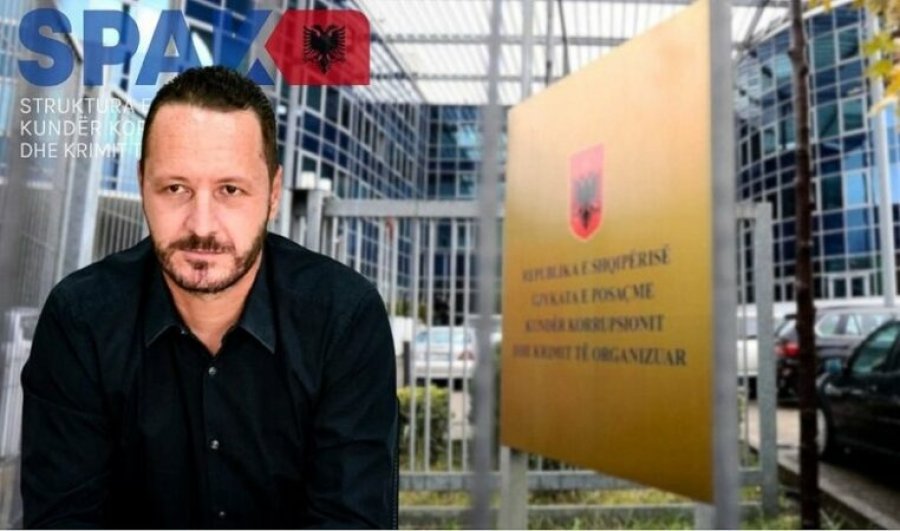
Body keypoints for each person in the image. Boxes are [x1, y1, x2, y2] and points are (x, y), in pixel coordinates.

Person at [20, 66, 398, 529]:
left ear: (272, 194)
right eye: (175, 188)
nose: (201, 225)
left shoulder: (343, 318)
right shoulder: (81, 320)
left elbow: (352, 520)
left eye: (230, 190)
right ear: (142, 184)